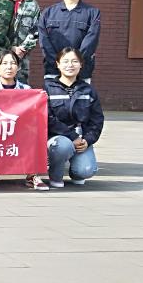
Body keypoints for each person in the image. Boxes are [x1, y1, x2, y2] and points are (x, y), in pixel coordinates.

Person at [0, 49, 48, 190]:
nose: (9, 67)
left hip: (19, 130)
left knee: (34, 134)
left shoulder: (27, 90)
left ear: (18, 67)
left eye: (13, 63)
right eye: (4, 63)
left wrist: (41, 98)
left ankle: (32, 175)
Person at [45, 47, 104, 189]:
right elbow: (48, 118)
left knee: (86, 170)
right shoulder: (48, 88)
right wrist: (72, 137)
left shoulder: (88, 90)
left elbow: (97, 120)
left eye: (74, 61)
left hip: (81, 138)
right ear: (58, 64)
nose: (70, 65)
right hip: (57, 137)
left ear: (81, 64)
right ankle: (55, 175)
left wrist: (87, 140)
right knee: (63, 146)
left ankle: (76, 171)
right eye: (65, 61)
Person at [38, 0, 101, 81]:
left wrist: (74, 64)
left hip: (82, 73)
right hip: (53, 72)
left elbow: (90, 42)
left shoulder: (93, 13)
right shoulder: (48, 12)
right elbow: (44, 42)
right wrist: (60, 64)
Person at [0, 0, 41, 85]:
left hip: (22, 59)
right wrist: (9, 48)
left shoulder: (31, 4)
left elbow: (36, 30)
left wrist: (22, 49)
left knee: (20, 91)